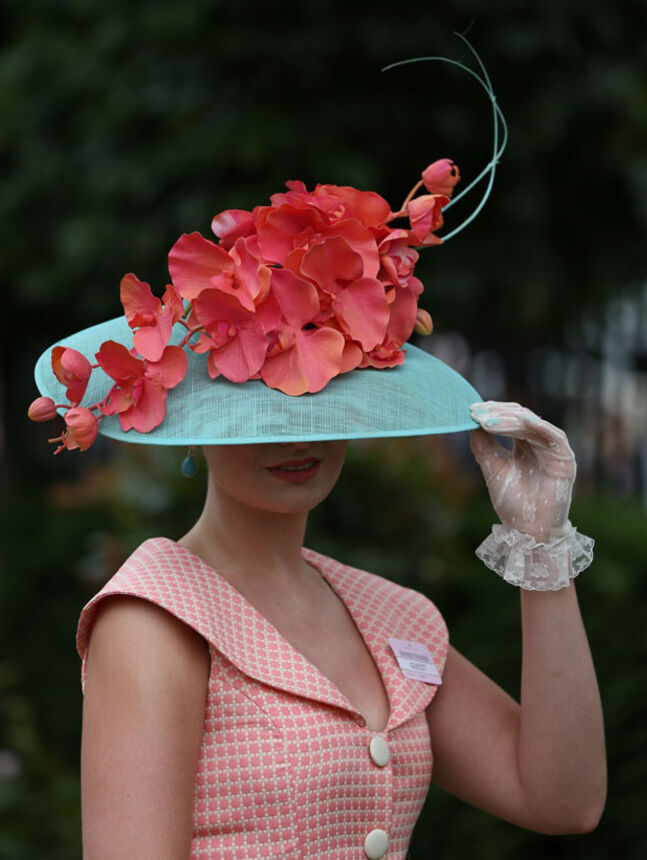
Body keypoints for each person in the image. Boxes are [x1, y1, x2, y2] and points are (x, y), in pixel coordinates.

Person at [28, 53, 606, 856]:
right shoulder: (154, 617)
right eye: (257, 408)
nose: (295, 434)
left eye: (319, 392)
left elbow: (563, 798)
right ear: (196, 420)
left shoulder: (394, 615)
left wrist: (543, 549)